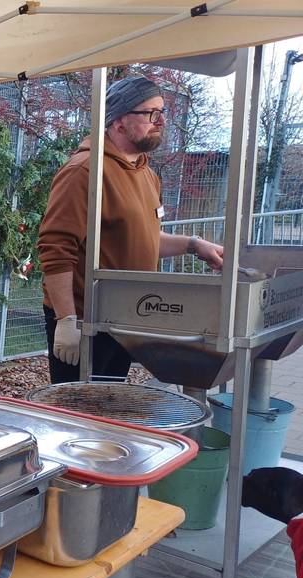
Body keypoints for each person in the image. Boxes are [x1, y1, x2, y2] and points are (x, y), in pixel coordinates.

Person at [38, 75, 224, 384]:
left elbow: (147, 239)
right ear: (119, 121)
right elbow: (56, 248)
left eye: (162, 112)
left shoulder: (147, 174)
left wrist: (194, 244)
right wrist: (66, 319)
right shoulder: (84, 171)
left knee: (108, 409)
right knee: (78, 415)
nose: (162, 120)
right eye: (151, 113)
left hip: (126, 319)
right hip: (87, 323)